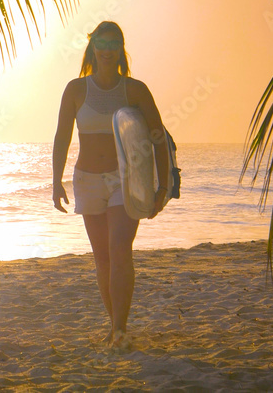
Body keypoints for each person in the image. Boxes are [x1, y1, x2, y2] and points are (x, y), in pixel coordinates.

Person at [51, 20, 170, 350]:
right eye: (100, 44)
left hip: (125, 178)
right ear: (92, 49)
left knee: (119, 248)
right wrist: (55, 180)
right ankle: (114, 323)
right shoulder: (76, 89)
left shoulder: (135, 90)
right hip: (86, 180)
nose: (107, 50)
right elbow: (62, 136)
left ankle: (119, 328)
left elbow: (158, 137)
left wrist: (161, 186)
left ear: (121, 49)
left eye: (113, 44)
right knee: (102, 258)